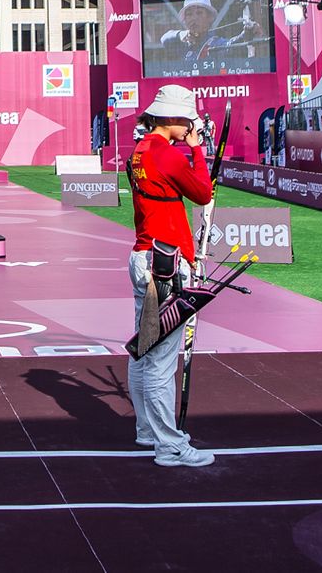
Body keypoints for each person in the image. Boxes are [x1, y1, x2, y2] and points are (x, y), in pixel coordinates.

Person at [123, 84, 216, 469]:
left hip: (145, 255)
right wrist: (196, 150)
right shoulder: (168, 155)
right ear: (172, 118)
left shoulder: (140, 151)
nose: (190, 126)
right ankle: (170, 445)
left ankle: (148, 431)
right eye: (186, 120)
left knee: (143, 350)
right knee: (161, 359)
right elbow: (203, 192)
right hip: (166, 263)